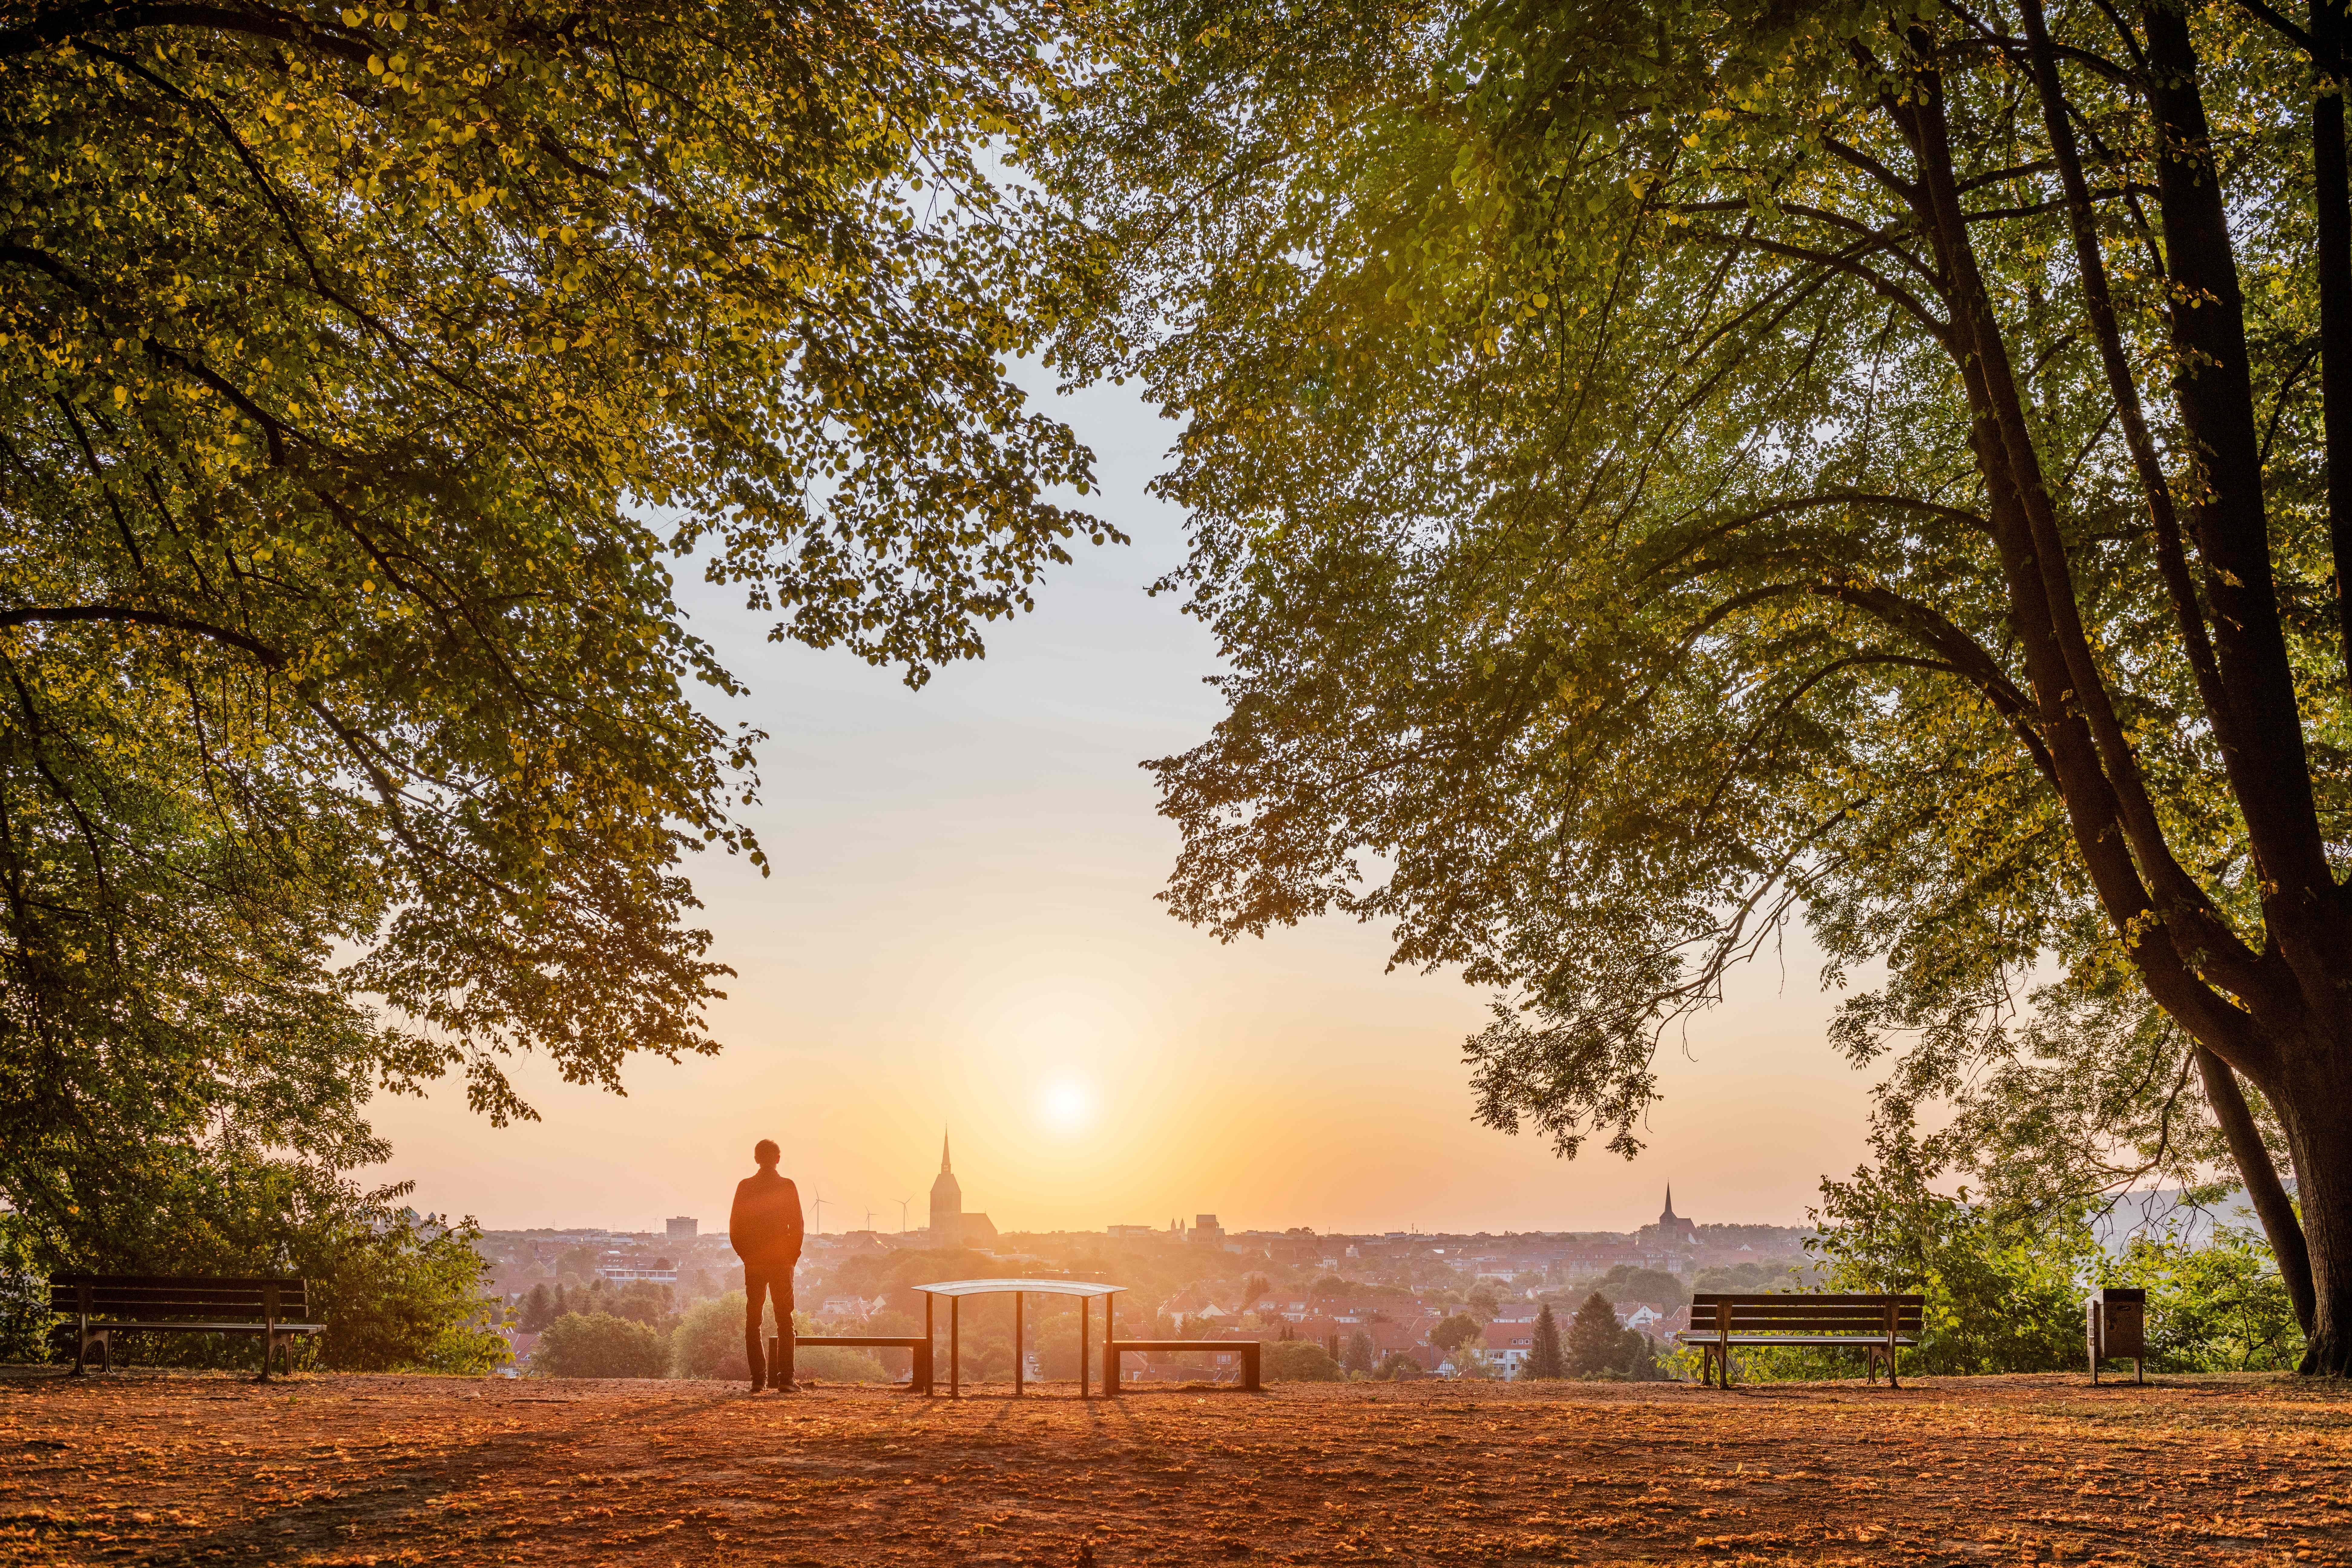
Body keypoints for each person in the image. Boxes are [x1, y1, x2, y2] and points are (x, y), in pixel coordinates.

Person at [730, 1139, 804, 1393]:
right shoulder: (787, 1186)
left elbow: (735, 1228)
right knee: (785, 1320)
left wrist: (747, 1256)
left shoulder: (745, 1187)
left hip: (755, 1263)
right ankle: (786, 1379)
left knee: (754, 1321)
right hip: (782, 1262)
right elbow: (797, 1226)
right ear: (778, 1158)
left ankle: (758, 1380)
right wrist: (791, 1257)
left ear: (756, 1159)